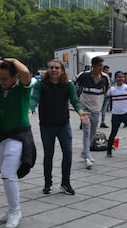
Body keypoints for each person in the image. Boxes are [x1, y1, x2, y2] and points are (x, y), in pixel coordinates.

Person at [0, 58, 36, 228]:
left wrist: (12, 61)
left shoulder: (22, 90)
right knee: (6, 175)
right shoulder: (0, 87)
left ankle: (15, 211)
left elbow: (26, 73)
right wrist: (4, 65)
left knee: (7, 173)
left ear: (15, 78)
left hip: (19, 136)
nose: (1, 81)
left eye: (5, 78)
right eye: (0, 78)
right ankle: (11, 209)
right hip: (1, 136)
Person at [30, 59, 90, 195]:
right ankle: (47, 183)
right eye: (51, 67)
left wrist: (81, 112)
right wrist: (30, 109)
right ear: (48, 70)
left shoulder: (68, 85)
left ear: (62, 70)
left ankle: (65, 183)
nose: (53, 70)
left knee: (68, 153)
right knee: (48, 155)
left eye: (57, 68)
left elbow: (75, 101)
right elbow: (34, 98)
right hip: (46, 126)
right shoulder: (41, 84)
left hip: (63, 125)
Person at [76, 56, 109, 169]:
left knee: (93, 132)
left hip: (96, 109)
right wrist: (76, 100)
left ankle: (84, 152)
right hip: (85, 108)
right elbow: (72, 83)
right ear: (93, 66)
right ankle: (87, 157)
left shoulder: (105, 78)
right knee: (86, 131)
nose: (101, 68)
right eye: (99, 66)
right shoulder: (83, 75)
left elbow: (106, 91)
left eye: (102, 66)